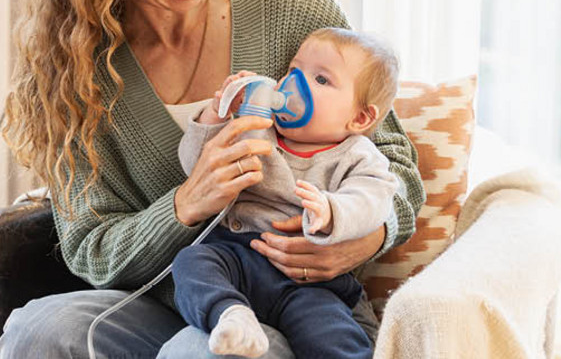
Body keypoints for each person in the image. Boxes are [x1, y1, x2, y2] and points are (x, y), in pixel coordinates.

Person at [0, 0, 424, 359]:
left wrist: (368, 235)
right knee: (36, 331)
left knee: (197, 353)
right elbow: (90, 247)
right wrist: (185, 203)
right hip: (169, 297)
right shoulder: (75, 68)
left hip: (298, 308)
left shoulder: (293, 2)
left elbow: (394, 163)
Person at [172, 28, 401, 358]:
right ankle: (231, 317)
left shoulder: (359, 156)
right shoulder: (256, 128)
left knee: (330, 335)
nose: (292, 84)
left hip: (307, 284)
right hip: (236, 257)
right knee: (191, 264)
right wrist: (218, 114)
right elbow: (198, 165)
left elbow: (373, 201)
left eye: (321, 80)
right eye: (294, 71)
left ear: (360, 116)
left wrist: (332, 211)